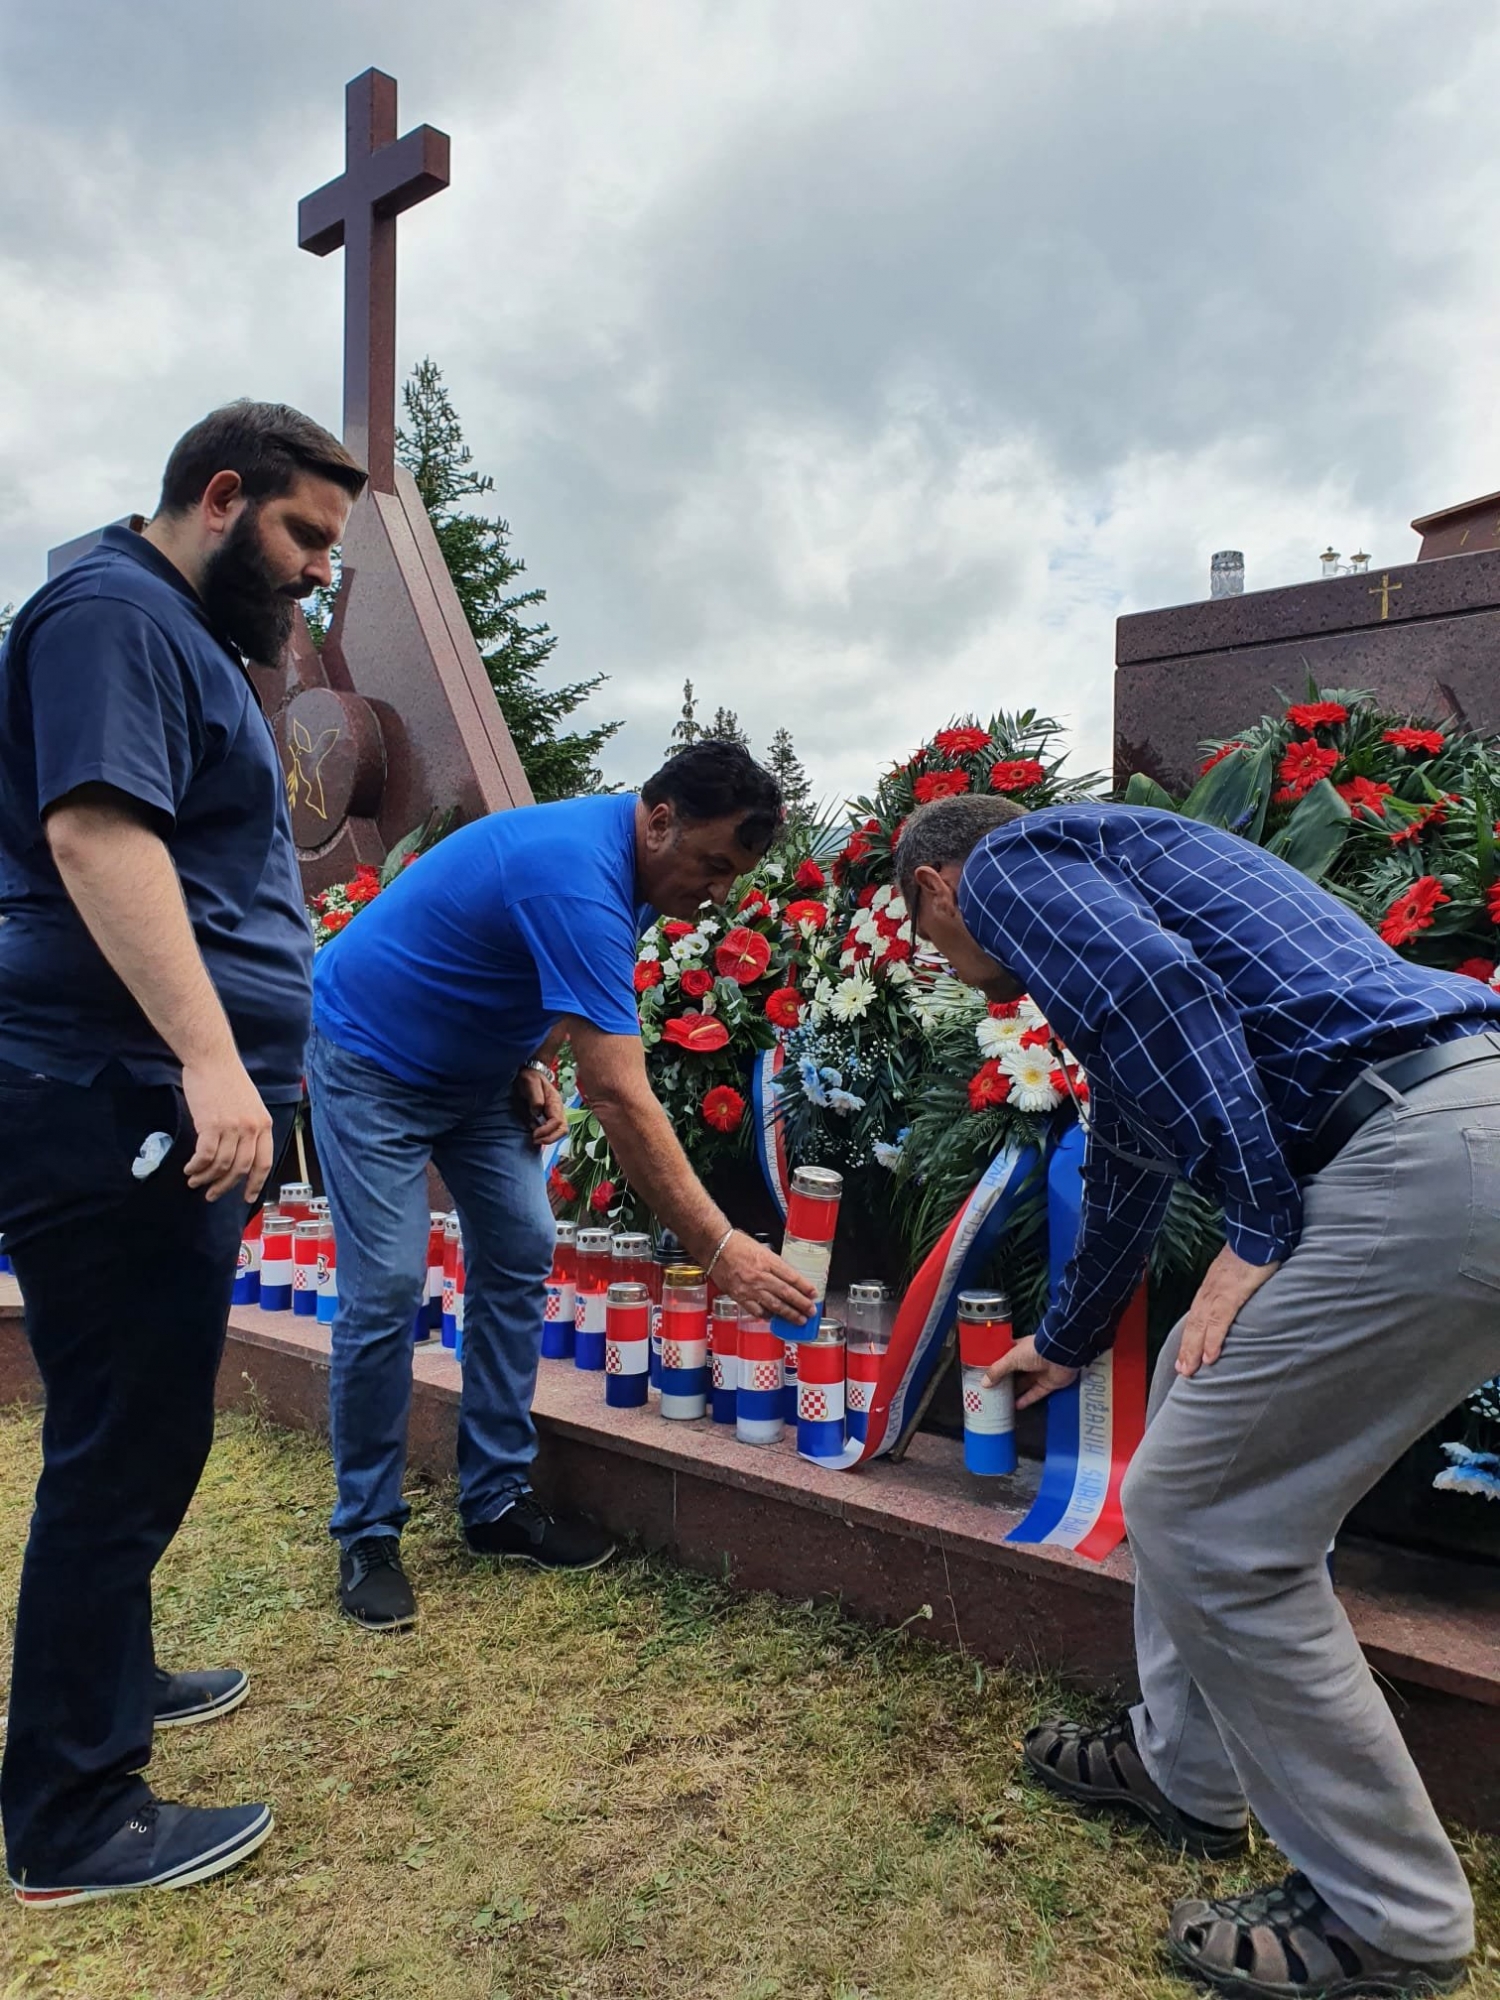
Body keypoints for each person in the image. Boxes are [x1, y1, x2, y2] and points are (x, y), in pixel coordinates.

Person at [897, 792, 1500, 2000]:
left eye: (930, 939)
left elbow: (1160, 999)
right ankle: (1187, 1770)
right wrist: (1065, 1338)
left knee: (1211, 1518)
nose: (951, 970)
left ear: (933, 888)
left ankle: (1390, 1916)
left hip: (1413, 1152)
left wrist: (1259, 1216)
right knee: (1192, 1383)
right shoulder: (1117, 871)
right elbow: (1133, 1128)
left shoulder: (1008, 865)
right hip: (1451, 1129)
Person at [0, 402, 366, 1907]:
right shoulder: (111, 612)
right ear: (222, 496)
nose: (314, 580)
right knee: (129, 1433)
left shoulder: (170, 627)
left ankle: (107, 1685)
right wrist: (215, 1059)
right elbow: (97, 836)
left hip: (134, 1078)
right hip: (118, 1081)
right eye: (303, 539)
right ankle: (77, 1820)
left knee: (122, 1411)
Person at [307, 739, 816, 1631]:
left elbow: (548, 981)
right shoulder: (573, 870)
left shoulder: (646, 873)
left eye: (732, 875)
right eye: (712, 864)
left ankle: (496, 1503)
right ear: (659, 819)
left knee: (520, 1249)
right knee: (386, 1283)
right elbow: (619, 1093)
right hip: (371, 1060)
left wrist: (529, 1061)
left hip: (476, 1080)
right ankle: (367, 1532)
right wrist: (720, 1247)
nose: (717, 891)